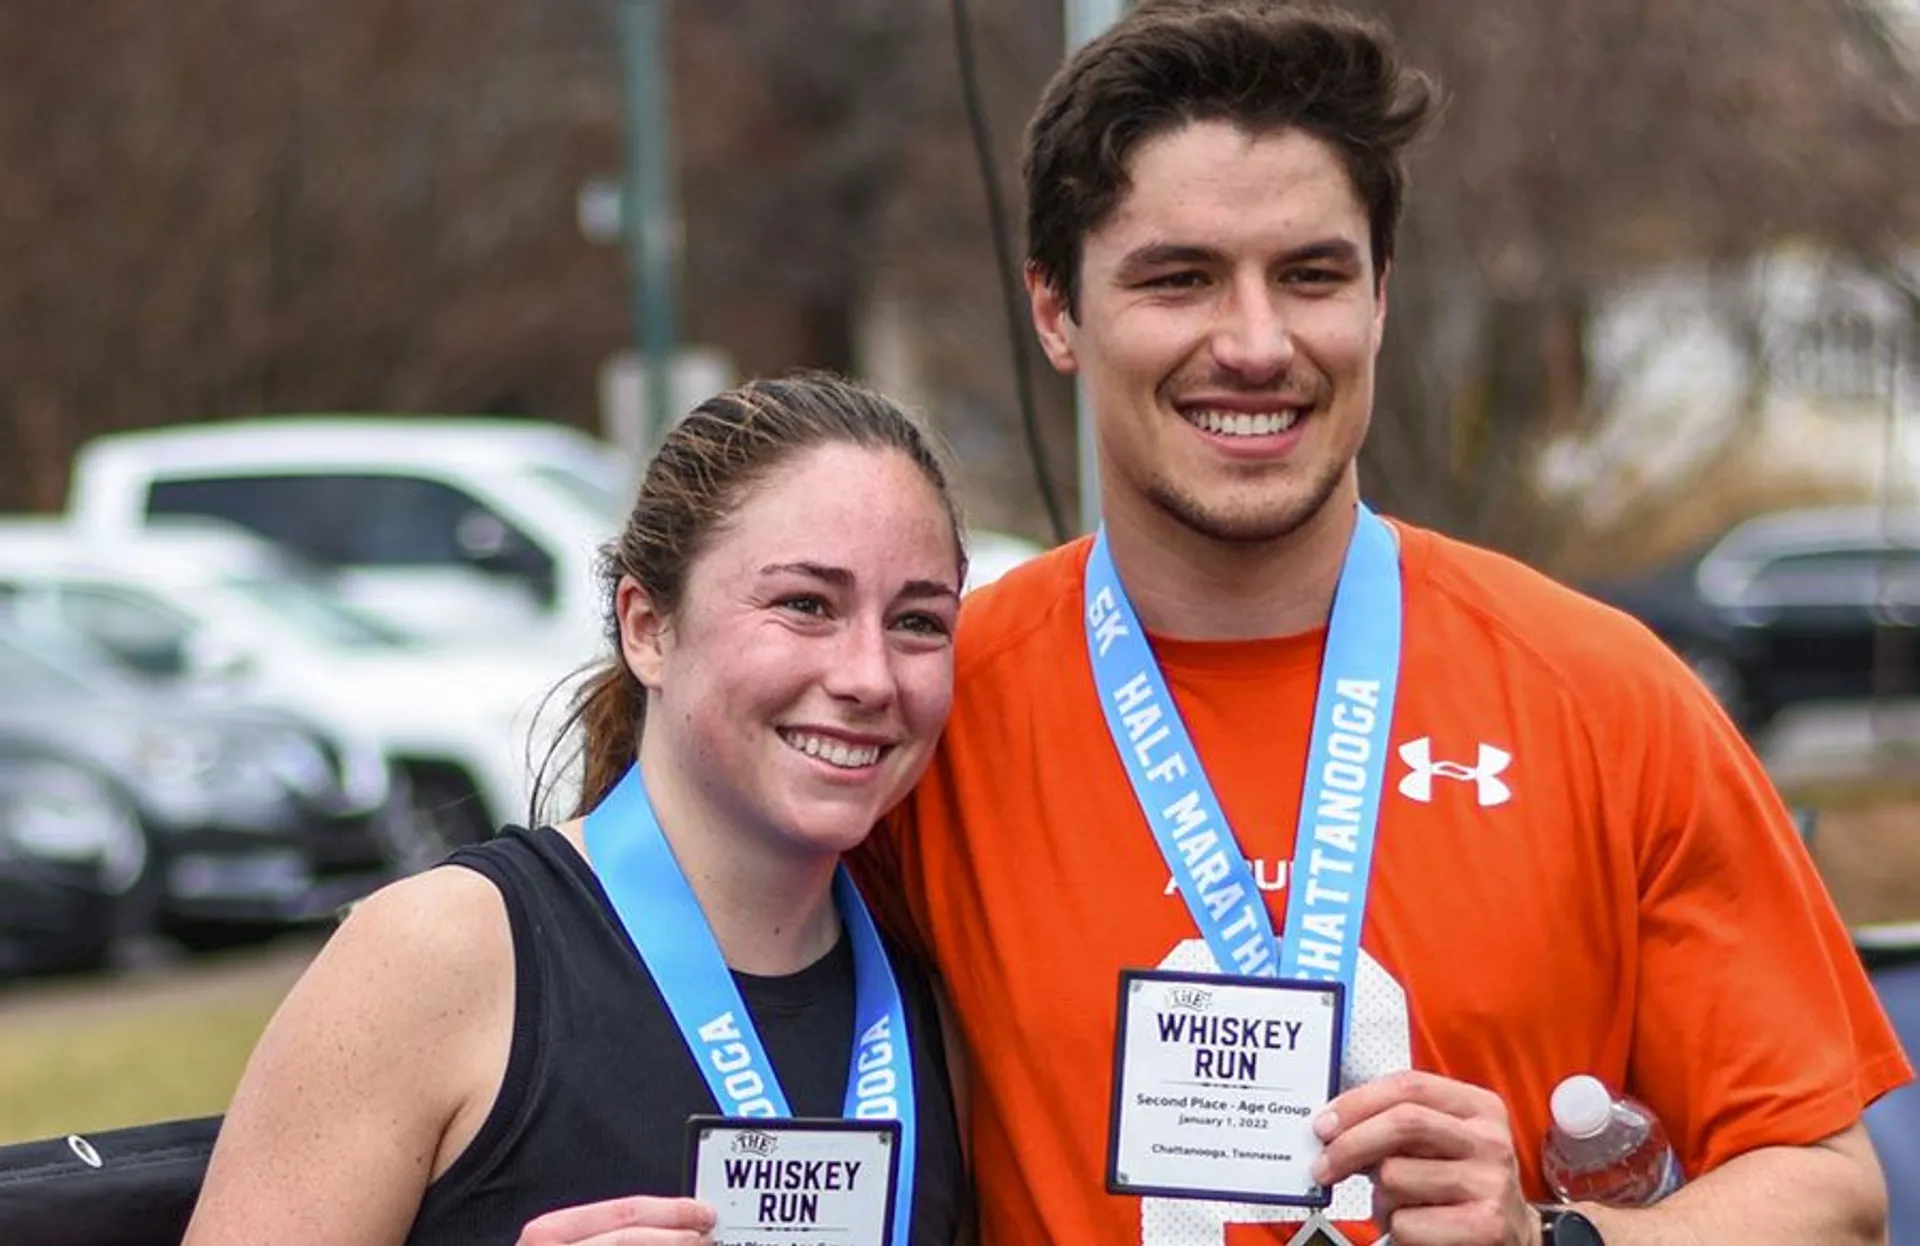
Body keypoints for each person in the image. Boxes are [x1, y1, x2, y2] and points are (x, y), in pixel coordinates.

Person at [850, 3, 1908, 1244]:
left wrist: (1550, 1237)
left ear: (1381, 298)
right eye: (1179, 278)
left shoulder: (1601, 694)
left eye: (1311, 275)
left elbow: (1831, 1189)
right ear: (1055, 310)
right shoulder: (933, 709)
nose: (1256, 344)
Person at [184, 374, 971, 1246]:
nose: (868, 677)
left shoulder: (931, 993)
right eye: (805, 605)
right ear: (647, 628)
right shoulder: (440, 955)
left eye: (918, 622)